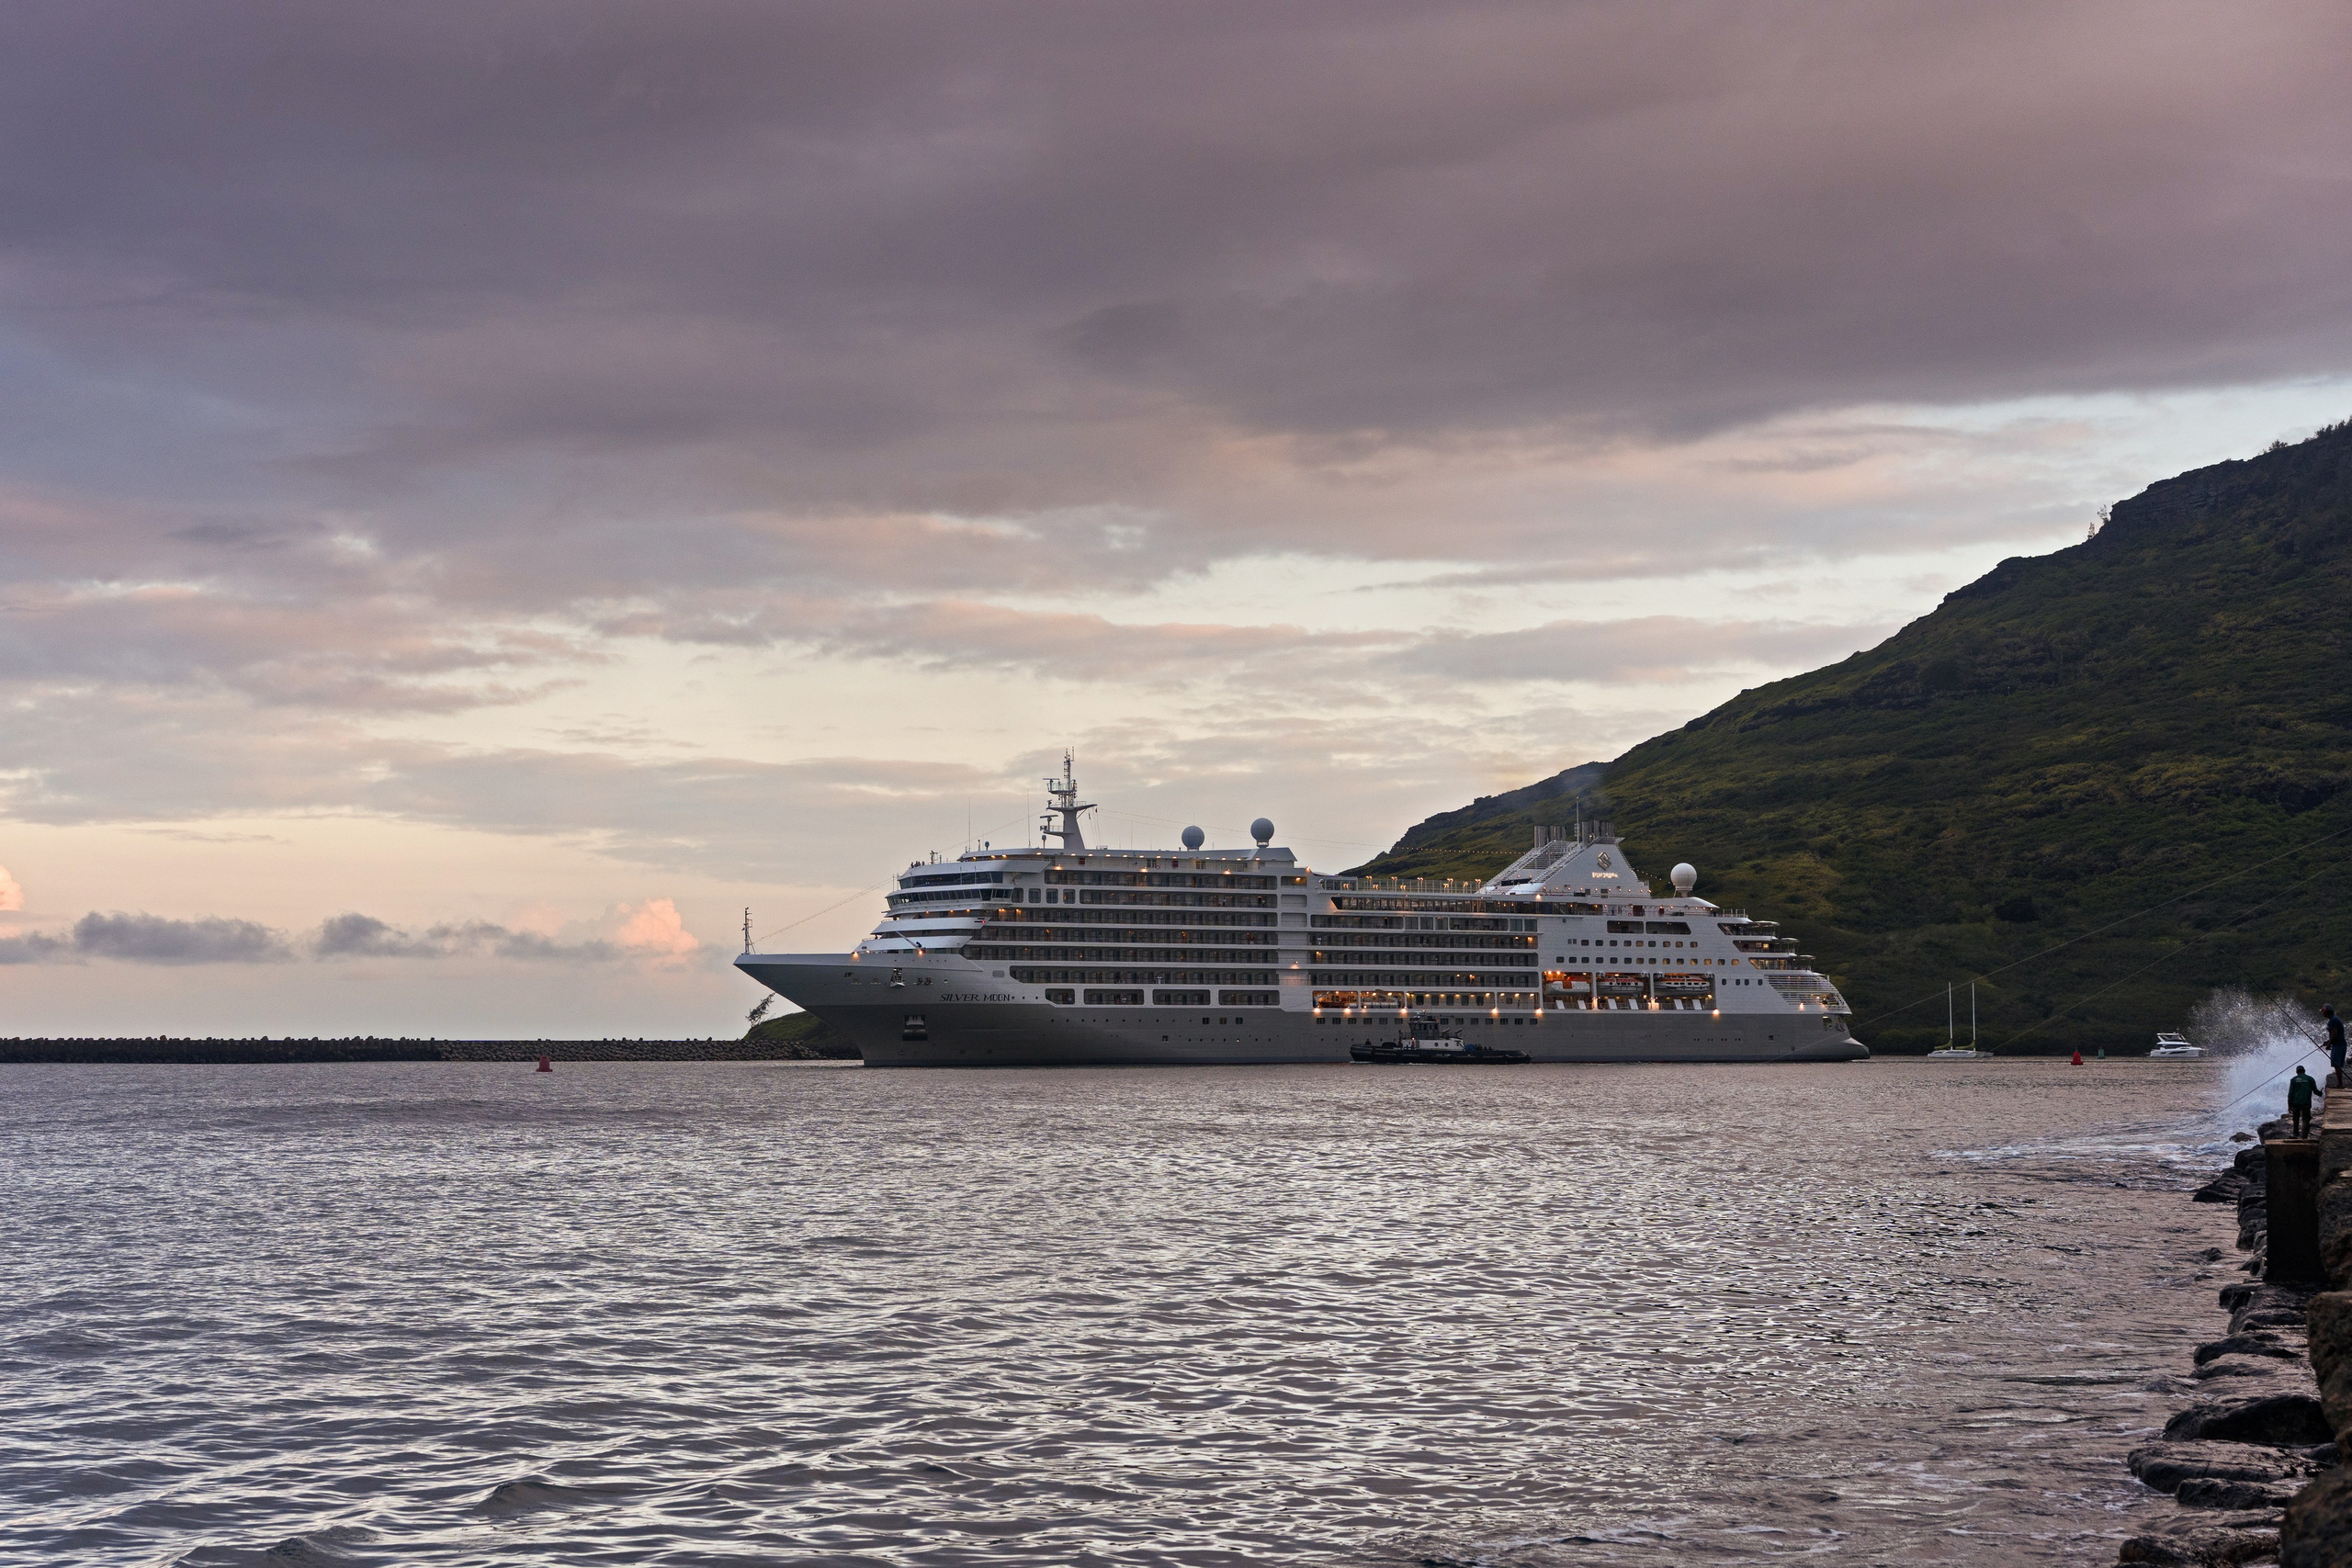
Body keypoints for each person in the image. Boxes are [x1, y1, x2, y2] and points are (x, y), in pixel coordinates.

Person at [2288, 1064, 2317, 1138]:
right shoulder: (2310, 1079)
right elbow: (2315, 1091)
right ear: (2304, 1071)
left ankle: (2295, 1133)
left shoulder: (2293, 1080)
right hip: (2306, 1103)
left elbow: (2290, 1093)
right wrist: (2321, 1094)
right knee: (2306, 1119)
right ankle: (2304, 1136)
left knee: (2296, 1118)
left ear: (2296, 1072)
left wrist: (2289, 1105)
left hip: (2295, 1103)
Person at [2328, 1004, 2349, 1086]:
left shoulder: (2333, 1020)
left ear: (2326, 1012)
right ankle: (2339, 1083)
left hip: (2338, 1046)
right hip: (2340, 1045)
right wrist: (2328, 1042)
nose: (2322, 1013)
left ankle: (2340, 1084)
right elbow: (2336, 1035)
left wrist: (2329, 1044)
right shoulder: (2335, 1019)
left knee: (2337, 1065)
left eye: (2323, 1012)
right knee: (2337, 1065)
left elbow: (2334, 1033)